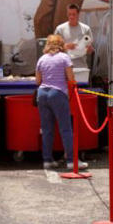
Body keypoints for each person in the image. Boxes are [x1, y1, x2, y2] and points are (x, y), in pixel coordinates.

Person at [35, 34, 87, 170]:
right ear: (61, 45)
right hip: (58, 94)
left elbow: (38, 81)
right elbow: (71, 78)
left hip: (42, 94)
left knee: (47, 129)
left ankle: (47, 160)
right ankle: (71, 160)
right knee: (66, 129)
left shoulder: (41, 59)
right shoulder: (64, 58)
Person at [54, 3, 94, 70]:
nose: (71, 17)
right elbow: (53, 48)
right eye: (69, 14)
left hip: (81, 67)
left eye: (74, 14)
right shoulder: (60, 29)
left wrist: (89, 49)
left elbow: (90, 50)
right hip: (64, 67)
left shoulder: (86, 29)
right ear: (67, 14)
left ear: (78, 14)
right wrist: (65, 46)